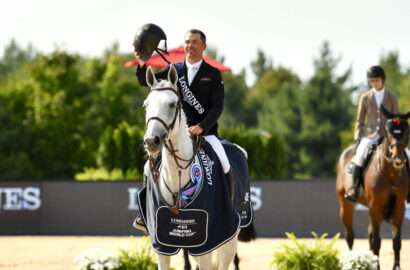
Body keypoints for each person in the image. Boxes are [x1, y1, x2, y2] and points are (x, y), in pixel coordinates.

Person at [133, 26, 233, 231]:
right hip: (175, 135)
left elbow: (217, 106)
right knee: (146, 168)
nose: (190, 46)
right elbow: (146, 82)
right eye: (187, 42)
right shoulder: (174, 70)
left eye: (195, 42)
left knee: (224, 163)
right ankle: (145, 215)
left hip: (206, 133)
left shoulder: (212, 73)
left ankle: (227, 210)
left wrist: (202, 127)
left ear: (203, 46)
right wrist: (142, 60)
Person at [345, 65, 400, 203]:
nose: (374, 83)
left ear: (382, 80)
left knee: (408, 155)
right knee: (360, 155)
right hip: (370, 135)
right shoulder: (364, 98)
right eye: (372, 81)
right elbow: (359, 120)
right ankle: (355, 188)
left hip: (388, 136)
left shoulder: (392, 98)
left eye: (376, 80)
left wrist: (397, 136)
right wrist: (358, 137)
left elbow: (396, 120)